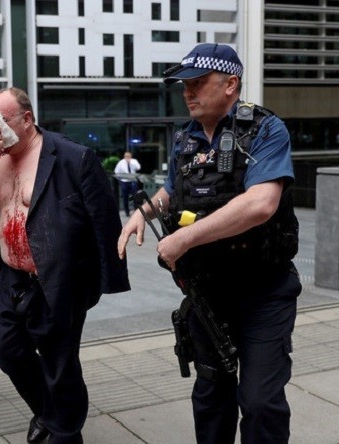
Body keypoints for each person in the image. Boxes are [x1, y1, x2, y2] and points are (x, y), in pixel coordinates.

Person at [117, 43, 301, 444]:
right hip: (207, 292)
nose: (188, 93)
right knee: (211, 395)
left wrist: (184, 238)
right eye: (185, 85)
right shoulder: (186, 138)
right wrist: (142, 213)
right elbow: (170, 190)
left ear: (231, 84)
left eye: (198, 83)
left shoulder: (266, 130)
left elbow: (260, 204)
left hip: (263, 292)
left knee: (260, 402)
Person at [0, 87, 130, 443]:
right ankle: (49, 412)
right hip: (13, 277)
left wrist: (101, 282)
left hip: (59, 279)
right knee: (8, 353)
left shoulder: (72, 157)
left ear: (26, 120)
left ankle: (65, 432)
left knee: (60, 365)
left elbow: (104, 221)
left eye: (0, 121)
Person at [113, 151, 142, 216]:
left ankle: (136, 210)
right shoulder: (121, 162)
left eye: (129, 156)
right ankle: (127, 212)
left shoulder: (134, 161)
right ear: (124, 156)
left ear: (131, 156)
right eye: (126, 156)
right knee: (125, 197)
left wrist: (131, 163)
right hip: (124, 181)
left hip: (132, 181)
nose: (127, 157)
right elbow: (116, 171)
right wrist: (120, 179)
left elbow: (138, 167)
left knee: (135, 196)